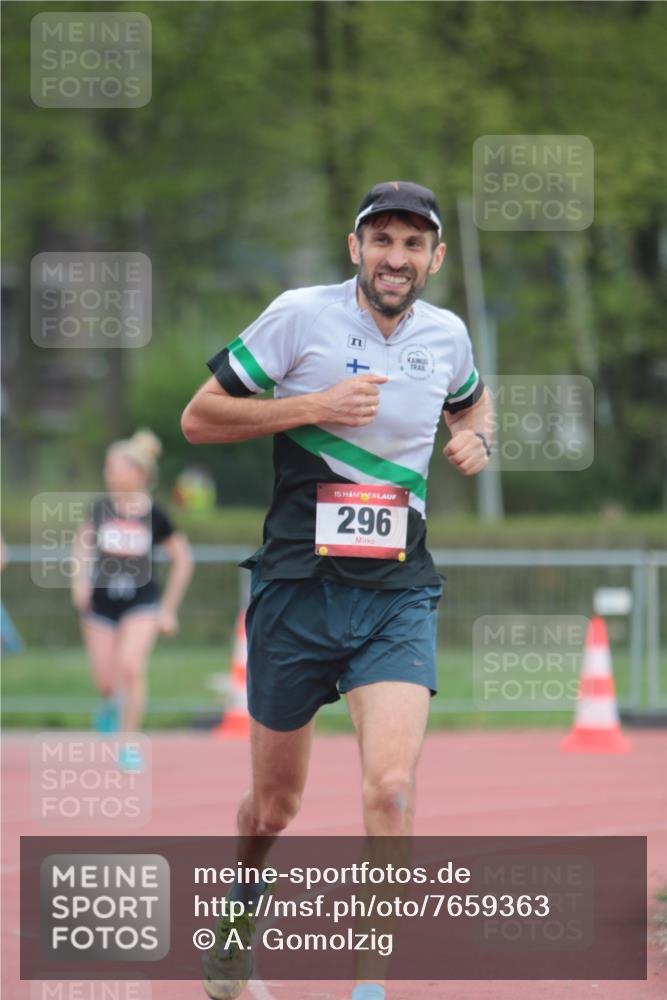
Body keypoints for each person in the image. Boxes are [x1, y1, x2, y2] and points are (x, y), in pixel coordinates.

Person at [182, 181, 494, 1000]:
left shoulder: (447, 334)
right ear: (355, 246)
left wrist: (476, 439)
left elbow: (471, 401)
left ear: (435, 257)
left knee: (389, 788)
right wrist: (314, 405)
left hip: (396, 592)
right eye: (381, 240)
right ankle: (238, 922)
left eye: (412, 243)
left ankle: (368, 985)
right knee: (274, 808)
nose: (397, 257)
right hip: (294, 588)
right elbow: (200, 417)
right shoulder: (299, 314)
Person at [71, 430, 193, 765]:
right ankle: (110, 706)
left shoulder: (155, 514)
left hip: (142, 602)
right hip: (101, 602)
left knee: (131, 668)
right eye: (107, 468)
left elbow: (183, 559)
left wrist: (168, 609)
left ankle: (128, 743)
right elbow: (82, 545)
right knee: (107, 680)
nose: (109, 474)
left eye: (116, 467)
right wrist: (79, 582)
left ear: (139, 474)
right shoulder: (99, 509)